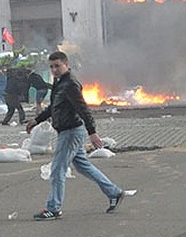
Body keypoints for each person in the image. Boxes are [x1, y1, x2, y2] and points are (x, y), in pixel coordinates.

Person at [26, 51, 123, 220]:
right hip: (67, 130)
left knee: (57, 170)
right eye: (51, 67)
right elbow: (53, 107)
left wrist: (92, 132)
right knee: (82, 165)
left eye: (57, 66)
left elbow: (83, 109)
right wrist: (36, 120)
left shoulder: (70, 84)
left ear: (66, 64)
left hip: (71, 132)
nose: (54, 70)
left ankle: (53, 208)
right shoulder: (59, 83)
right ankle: (114, 192)